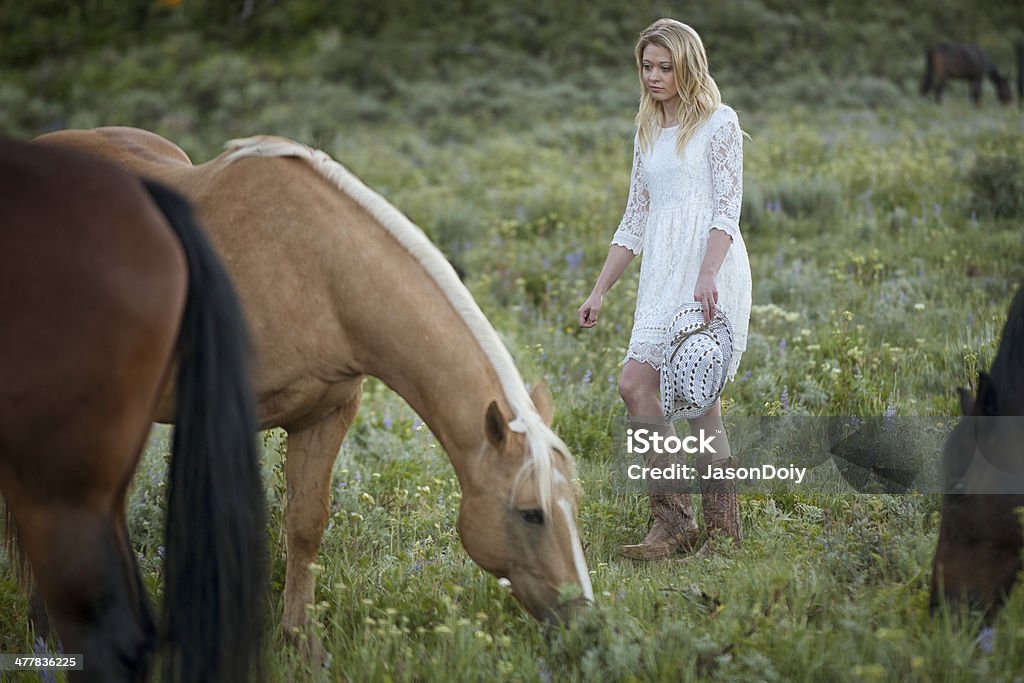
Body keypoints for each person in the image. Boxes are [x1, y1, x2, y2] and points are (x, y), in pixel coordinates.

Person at [577, 18, 752, 560]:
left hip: (710, 271)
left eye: (664, 66)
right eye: (647, 67)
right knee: (636, 385)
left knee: (702, 403)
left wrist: (707, 273)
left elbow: (728, 206)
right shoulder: (647, 130)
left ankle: (723, 537)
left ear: (687, 65)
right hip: (661, 277)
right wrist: (600, 289)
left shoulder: (720, 123)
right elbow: (635, 219)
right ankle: (673, 522)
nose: (653, 76)